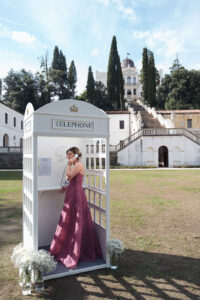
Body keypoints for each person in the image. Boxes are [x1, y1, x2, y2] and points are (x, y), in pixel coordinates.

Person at [49, 147, 102, 269]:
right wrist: (65, 188)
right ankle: (68, 245)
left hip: (77, 195)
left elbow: (69, 177)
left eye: (70, 154)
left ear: (76, 155)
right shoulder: (75, 165)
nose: (68, 156)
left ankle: (77, 250)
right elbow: (71, 181)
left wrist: (68, 165)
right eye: (67, 154)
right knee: (69, 219)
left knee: (77, 219)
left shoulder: (78, 165)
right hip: (71, 193)